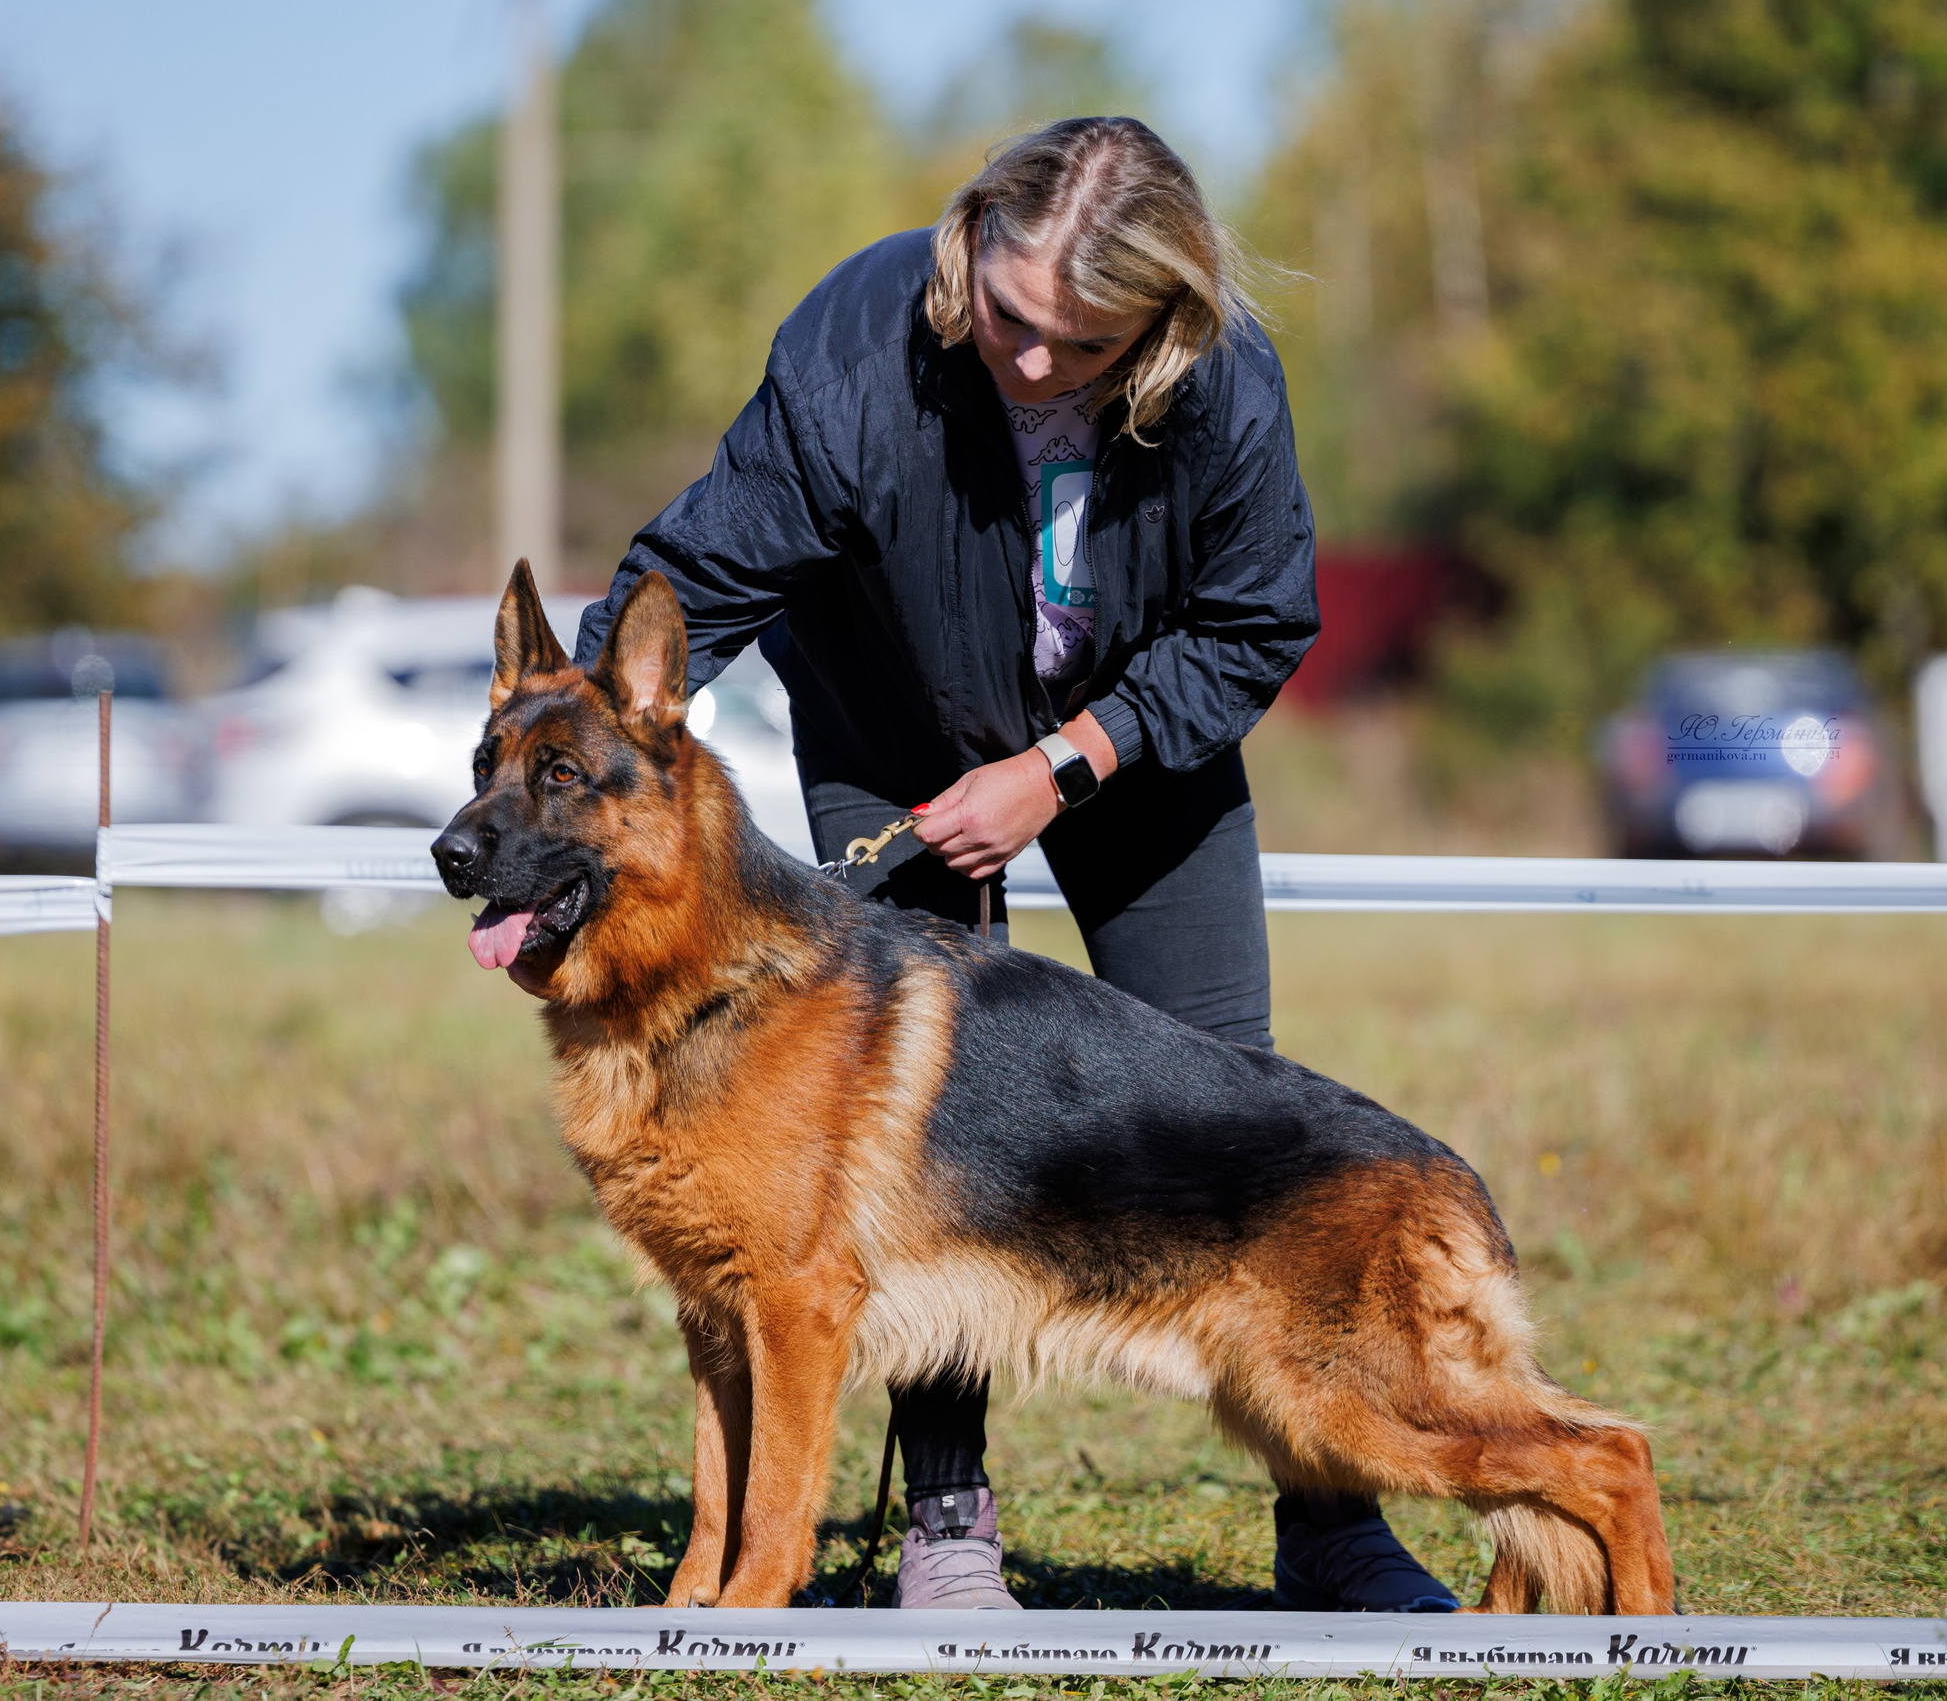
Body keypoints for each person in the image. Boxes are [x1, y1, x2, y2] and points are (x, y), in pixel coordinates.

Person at [572, 117, 1457, 1616]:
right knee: (903, 1157)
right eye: (1008, 319)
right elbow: (707, 568)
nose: (1033, 364)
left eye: (1082, 341)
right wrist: (590, 759)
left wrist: (1066, 765)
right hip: (894, 736)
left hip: (1139, 746)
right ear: (970, 243)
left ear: (1161, 324)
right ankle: (950, 1530)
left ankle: (1336, 1528)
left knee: (1227, 1100)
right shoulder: (859, 343)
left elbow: (1255, 625)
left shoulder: (1229, 383)